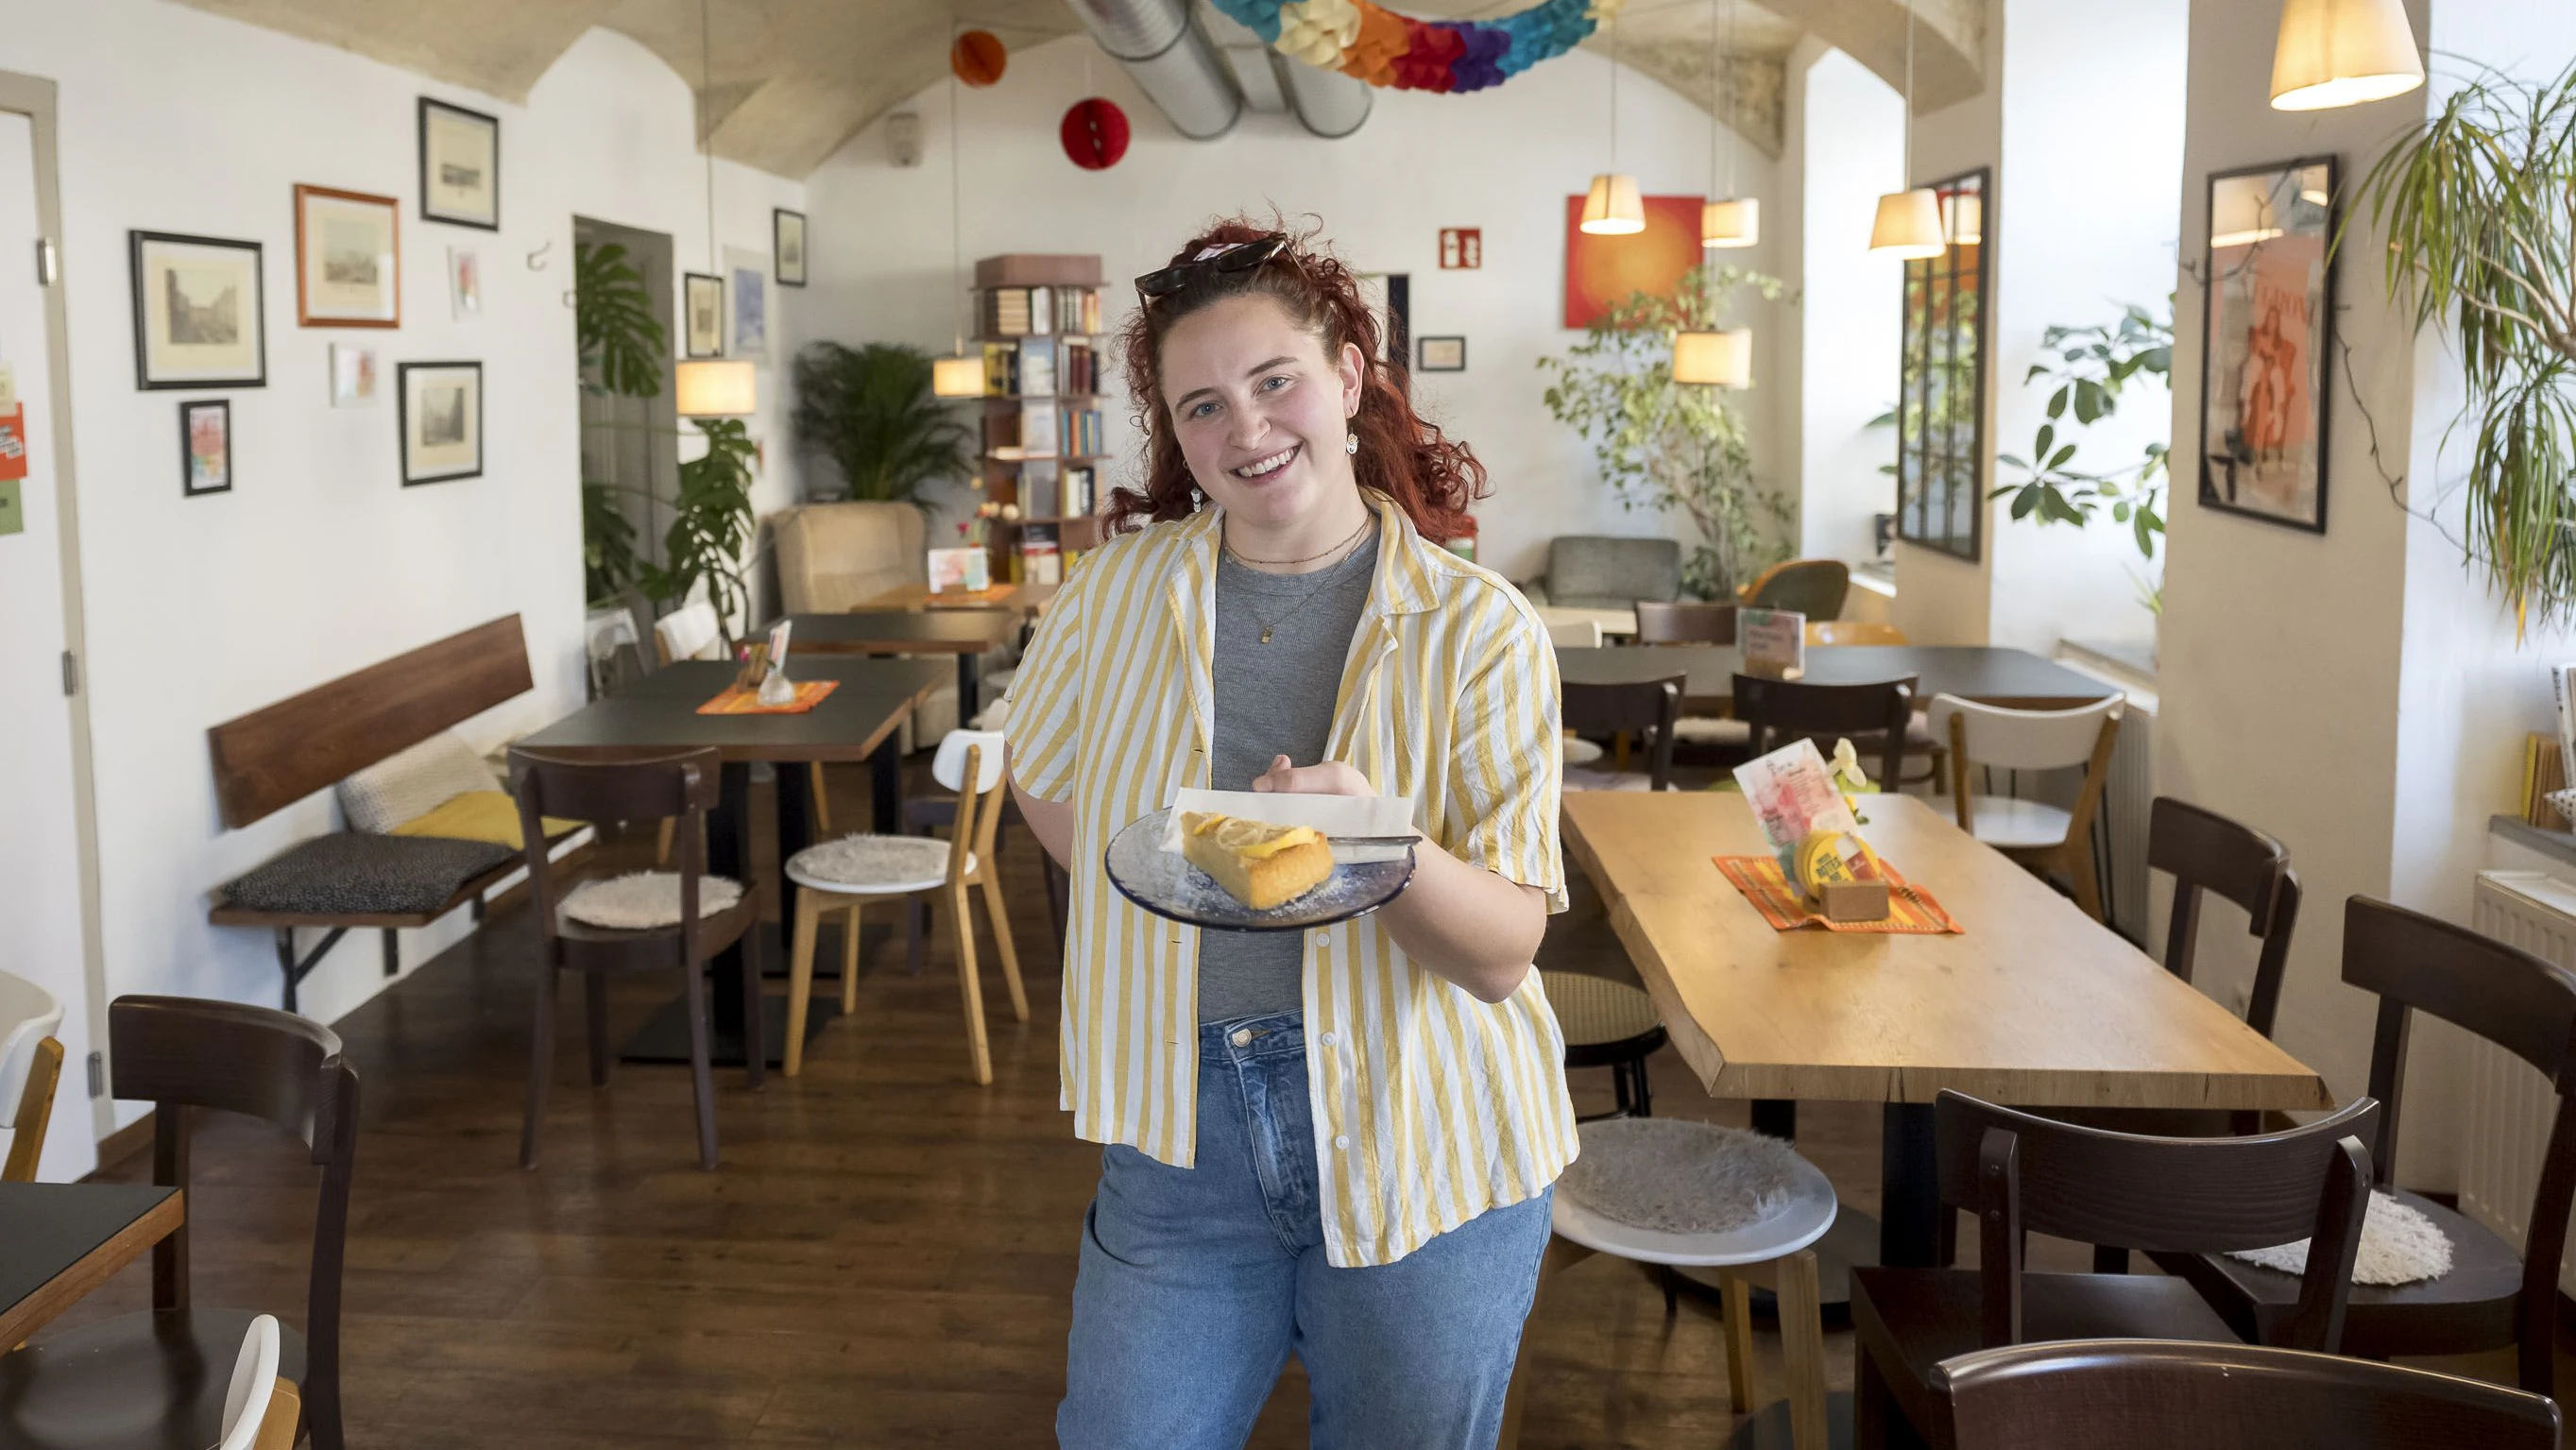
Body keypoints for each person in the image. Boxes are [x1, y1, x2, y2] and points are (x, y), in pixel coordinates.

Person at [1002, 219, 1577, 1449]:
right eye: (1202, 405)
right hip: (1179, 1140)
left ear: (1349, 378)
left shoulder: (1481, 629)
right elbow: (1041, 777)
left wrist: (1377, 848)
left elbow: (1501, 952)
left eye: (1276, 383)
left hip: (1426, 1130)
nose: (1247, 430)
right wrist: (1163, 891)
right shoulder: (1111, 592)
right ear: (1172, 429)